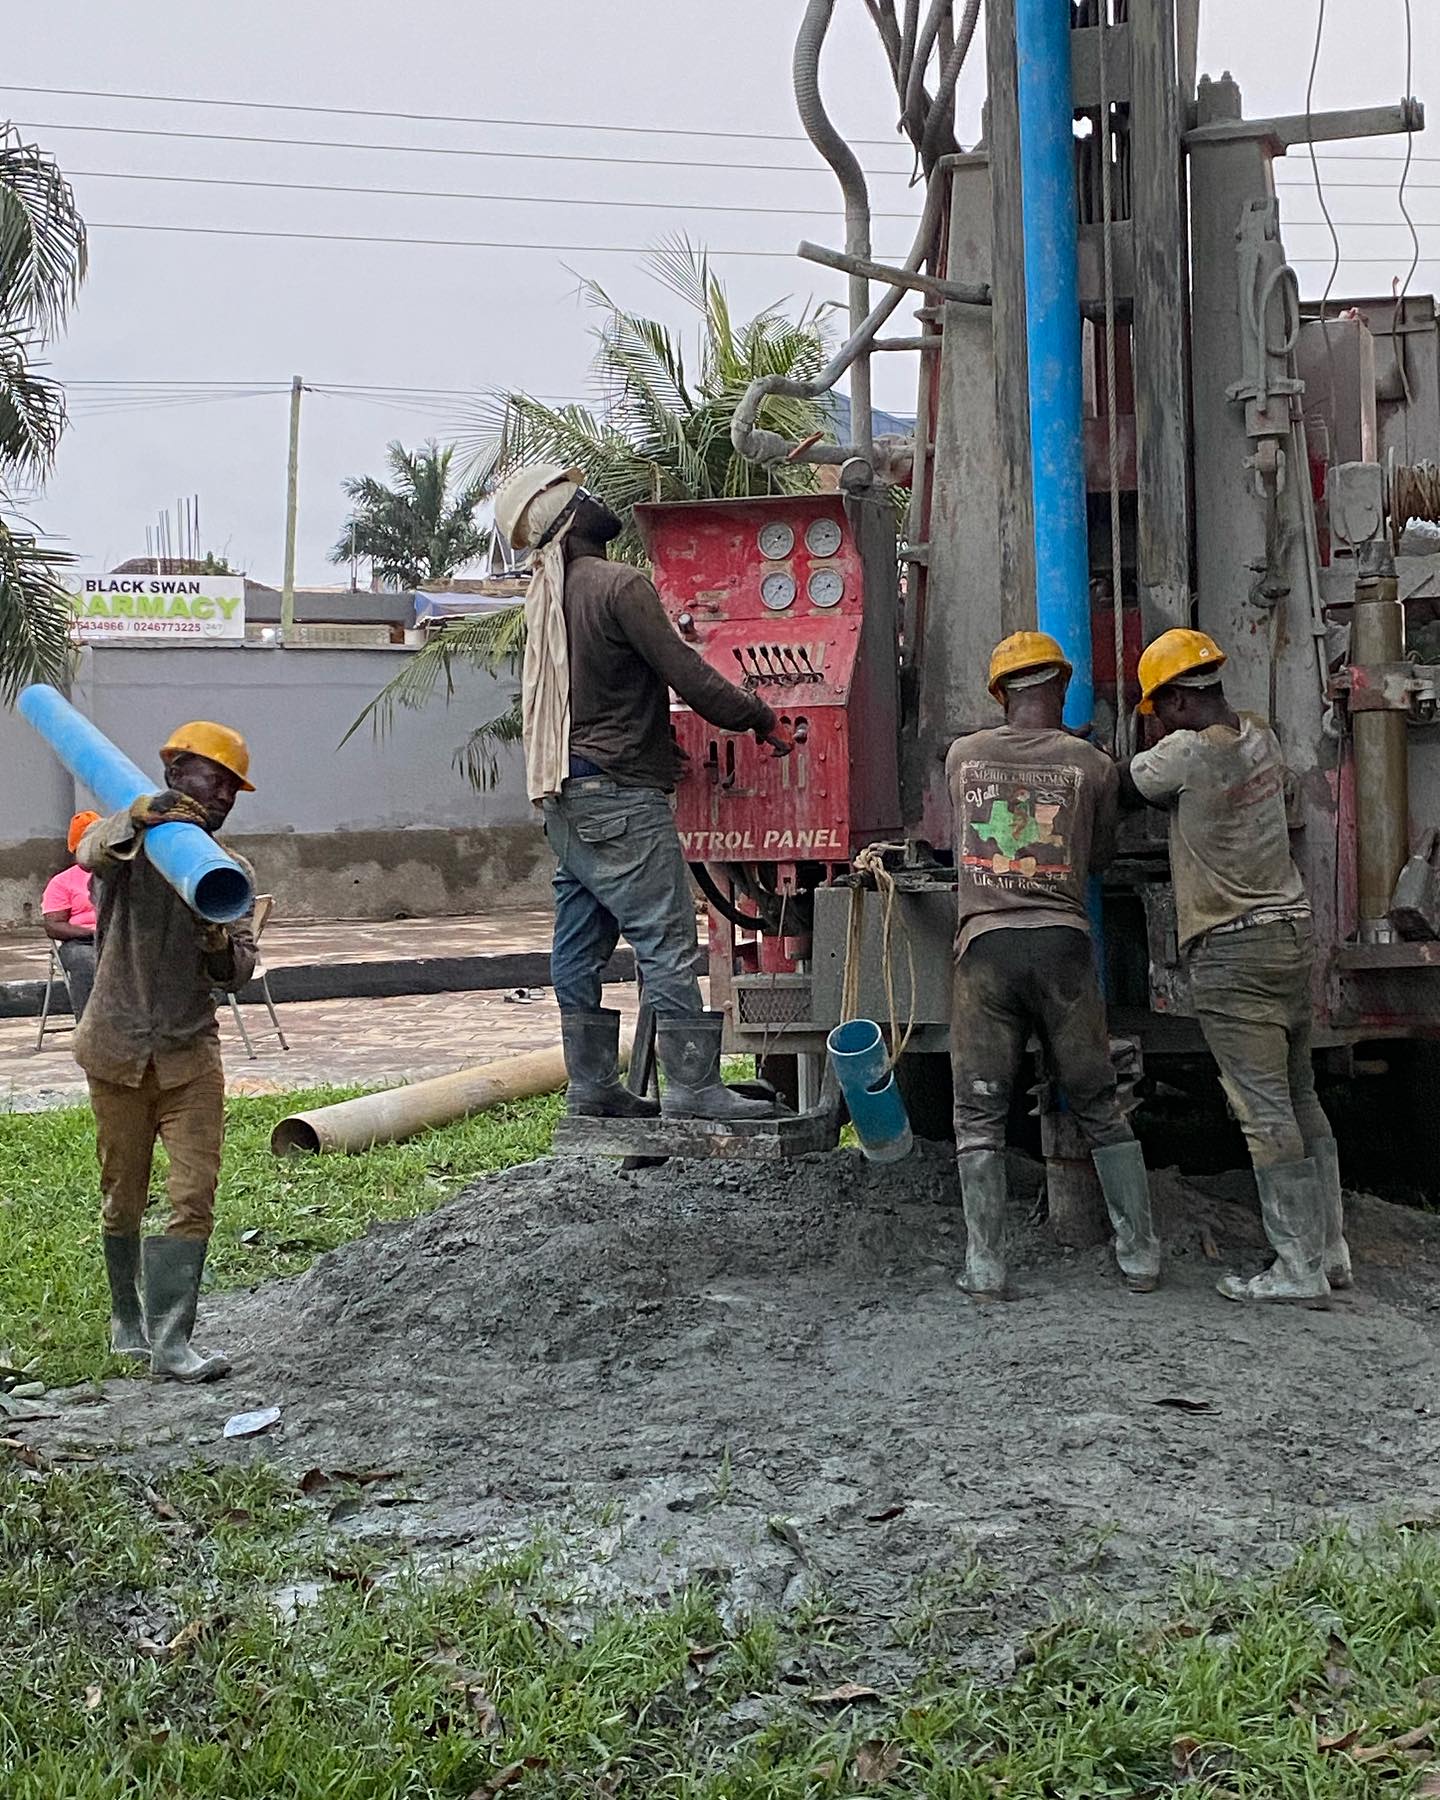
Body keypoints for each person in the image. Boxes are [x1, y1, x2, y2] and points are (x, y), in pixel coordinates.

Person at [494, 462, 793, 1122]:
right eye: (585, 498)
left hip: (567, 795)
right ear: (571, 522)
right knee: (665, 940)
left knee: (579, 942)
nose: (601, 503)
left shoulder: (552, 598)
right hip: (619, 800)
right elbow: (688, 674)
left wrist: (661, 745)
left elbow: (604, 698)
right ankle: (692, 1088)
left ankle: (593, 1084)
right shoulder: (618, 585)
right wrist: (761, 717)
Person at [1124, 628, 1347, 1305]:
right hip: (1289, 934)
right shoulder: (1263, 738)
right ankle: (1330, 1250)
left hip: (1231, 949)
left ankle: (1297, 1269)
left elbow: (1128, 778)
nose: (1157, 722)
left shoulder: (1183, 756)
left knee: (1264, 1110)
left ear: (1178, 704)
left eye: (1157, 709)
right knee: (1301, 1095)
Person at [946, 631, 1160, 1299]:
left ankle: (985, 1264)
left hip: (986, 948)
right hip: (1064, 945)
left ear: (1002, 694)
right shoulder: (1091, 765)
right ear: (1062, 690)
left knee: (978, 1112)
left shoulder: (963, 756)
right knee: (1098, 1099)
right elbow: (1100, 861)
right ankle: (1140, 1253)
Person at [75, 722, 259, 1380]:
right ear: (177, 774)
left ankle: (173, 1341)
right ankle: (127, 1316)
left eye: (233, 789)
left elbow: (239, 971)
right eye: (215, 781)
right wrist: (136, 816)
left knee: (193, 1194)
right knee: (123, 1194)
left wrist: (216, 943)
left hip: (188, 1056)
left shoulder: (231, 870)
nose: (224, 798)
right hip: (118, 1047)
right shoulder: (130, 849)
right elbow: (89, 851)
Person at [42, 810, 101, 1019]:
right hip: (81, 943)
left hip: (120, 939)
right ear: (76, 848)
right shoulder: (62, 882)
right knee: (86, 962)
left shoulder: (121, 874)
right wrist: (90, 933)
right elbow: (53, 925)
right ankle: (91, 1029)